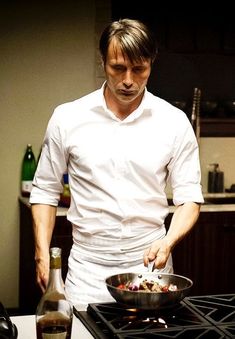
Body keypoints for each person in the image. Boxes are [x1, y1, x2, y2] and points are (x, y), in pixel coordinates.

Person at [30, 18, 204, 310]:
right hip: (87, 271)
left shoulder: (173, 121)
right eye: (118, 67)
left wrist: (169, 241)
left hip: (150, 267)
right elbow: (45, 190)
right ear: (103, 62)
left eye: (139, 69)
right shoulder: (68, 117)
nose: (128, 80)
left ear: (151, 63)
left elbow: (190, 197)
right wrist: (41, 254)